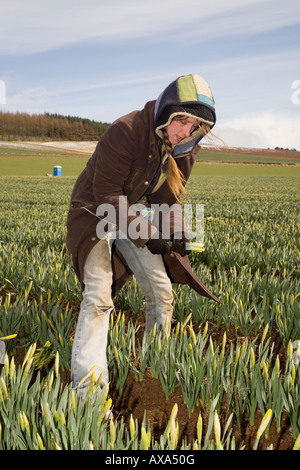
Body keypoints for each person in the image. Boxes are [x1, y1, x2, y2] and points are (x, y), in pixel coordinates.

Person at [66, 73, 219, 397]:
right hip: (94, 212)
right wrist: (149, 235)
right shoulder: (126, 131)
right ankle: (89, 398)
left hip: (131, 213)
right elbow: (106, 193)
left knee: (162, 291)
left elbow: (170, 199)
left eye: (194, 127)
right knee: (98, 297)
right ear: (166, 112)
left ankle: (156, 368)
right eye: (182, 121)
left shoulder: (183, 148)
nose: (186, 131)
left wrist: (178, 233)